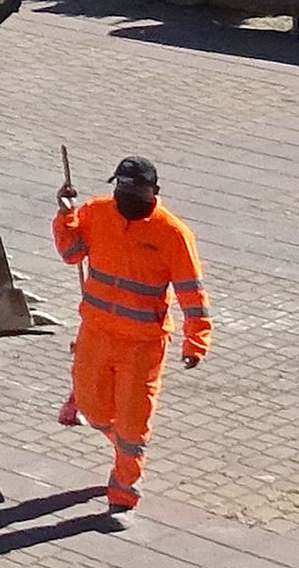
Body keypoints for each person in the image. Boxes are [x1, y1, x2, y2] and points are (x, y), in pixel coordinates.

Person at [50, 154, 211, 517]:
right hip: (96, 333)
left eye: (133, 189)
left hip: (143, 344)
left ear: (154, 191)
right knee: (91, 408)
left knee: (133, 422)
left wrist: (196, 340)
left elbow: (192, 293)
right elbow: (72, 253)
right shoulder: (98, 212)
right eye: (120, 187)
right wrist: (66, 214)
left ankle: (123, 495)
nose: (125, 195)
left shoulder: (173, 234)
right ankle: (122, 445)